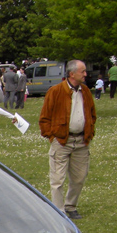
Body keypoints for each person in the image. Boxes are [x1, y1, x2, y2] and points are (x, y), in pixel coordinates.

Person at [39, 60, 96, 220]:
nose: (86, 74)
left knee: (79, 177)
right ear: (72, 74)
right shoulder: (56, 91)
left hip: (81, 142)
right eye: (83, 71)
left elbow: (92, 114)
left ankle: (71, 206)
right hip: (62, 141)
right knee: (57, 179)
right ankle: (59, 211)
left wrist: (89, 133)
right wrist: (52, 136)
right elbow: (44, 117)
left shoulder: (85, 92)